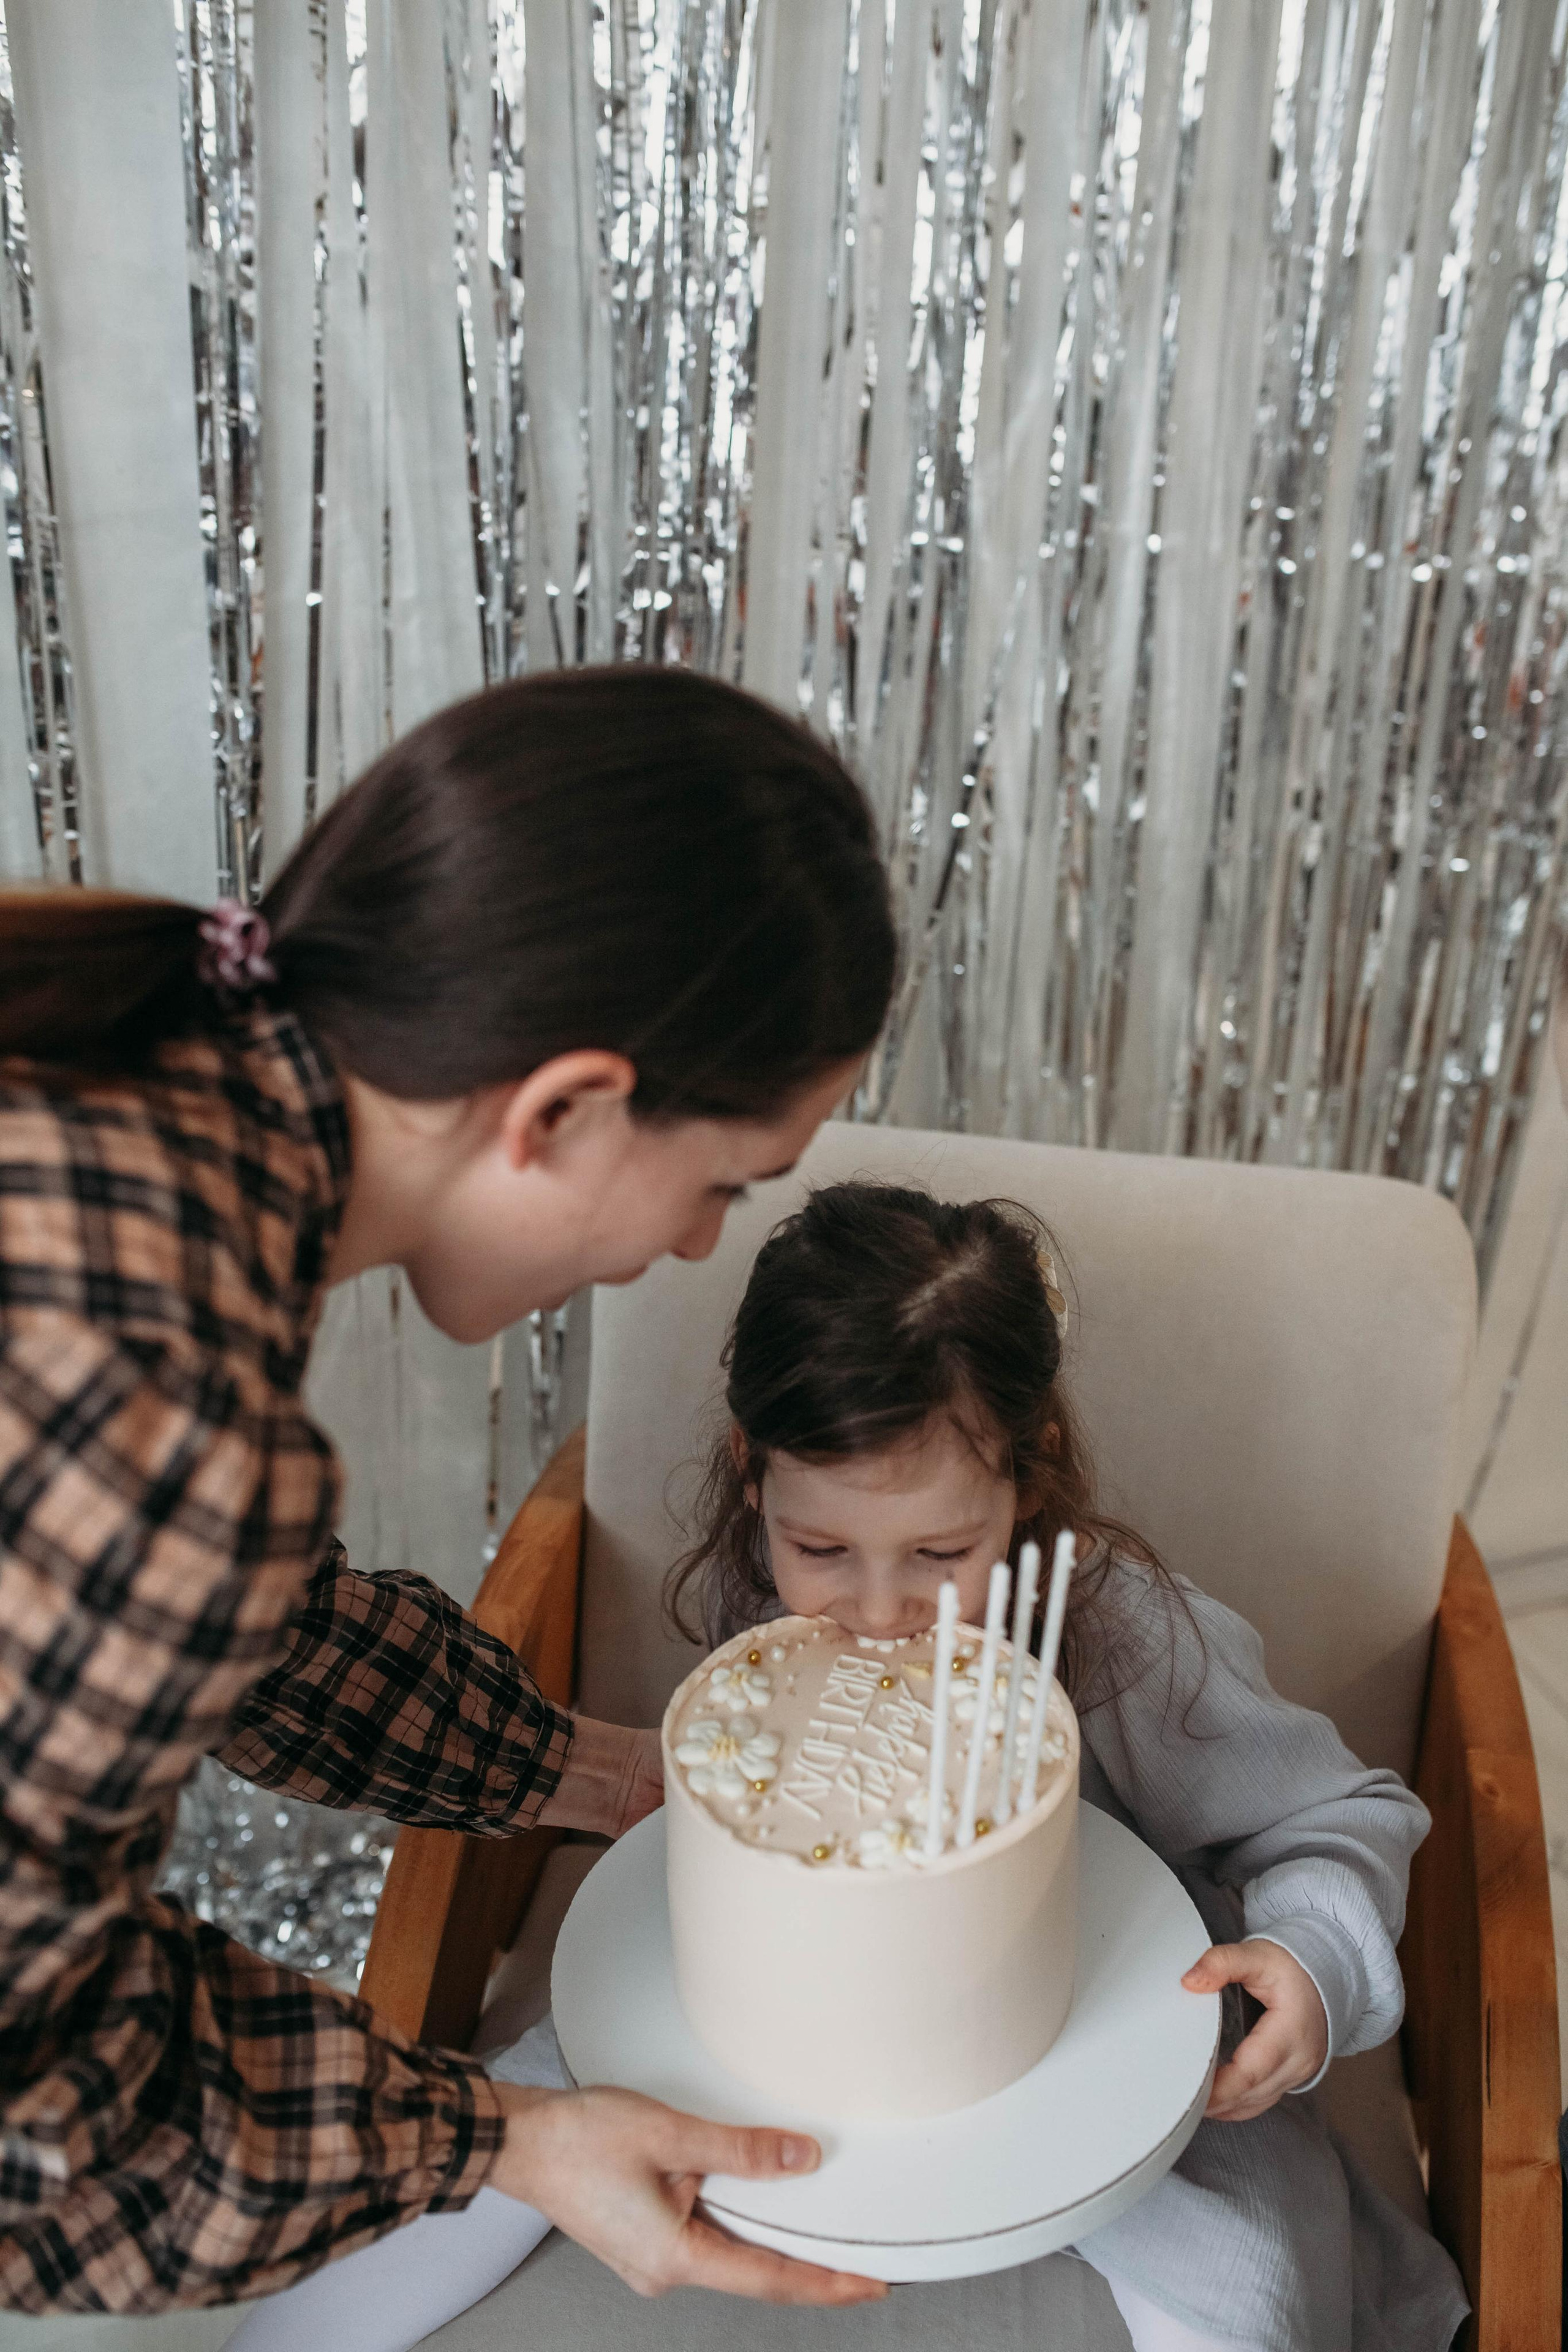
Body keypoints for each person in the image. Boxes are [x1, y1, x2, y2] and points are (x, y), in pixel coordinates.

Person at [0, 668, 899, 2318]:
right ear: (562, 1108)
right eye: (722, 1185)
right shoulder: (161, 1418)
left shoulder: (114, 1110)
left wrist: (577, 1765)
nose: (696, 1248)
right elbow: (39, 2120)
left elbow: (249, 1630)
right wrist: (498, 2138)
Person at [244, 1183, 1471, 2352]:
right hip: (748, 2017)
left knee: (1249, 2289)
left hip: (1078, 2041)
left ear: (1025, 1474)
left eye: (942, 1548)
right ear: (751, 1472)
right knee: (439, 2193)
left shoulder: (1120, 1635)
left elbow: (1333, 1815)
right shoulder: (756, 1606)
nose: (880, 1610)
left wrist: (1309, 1958)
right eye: (820, 1544)